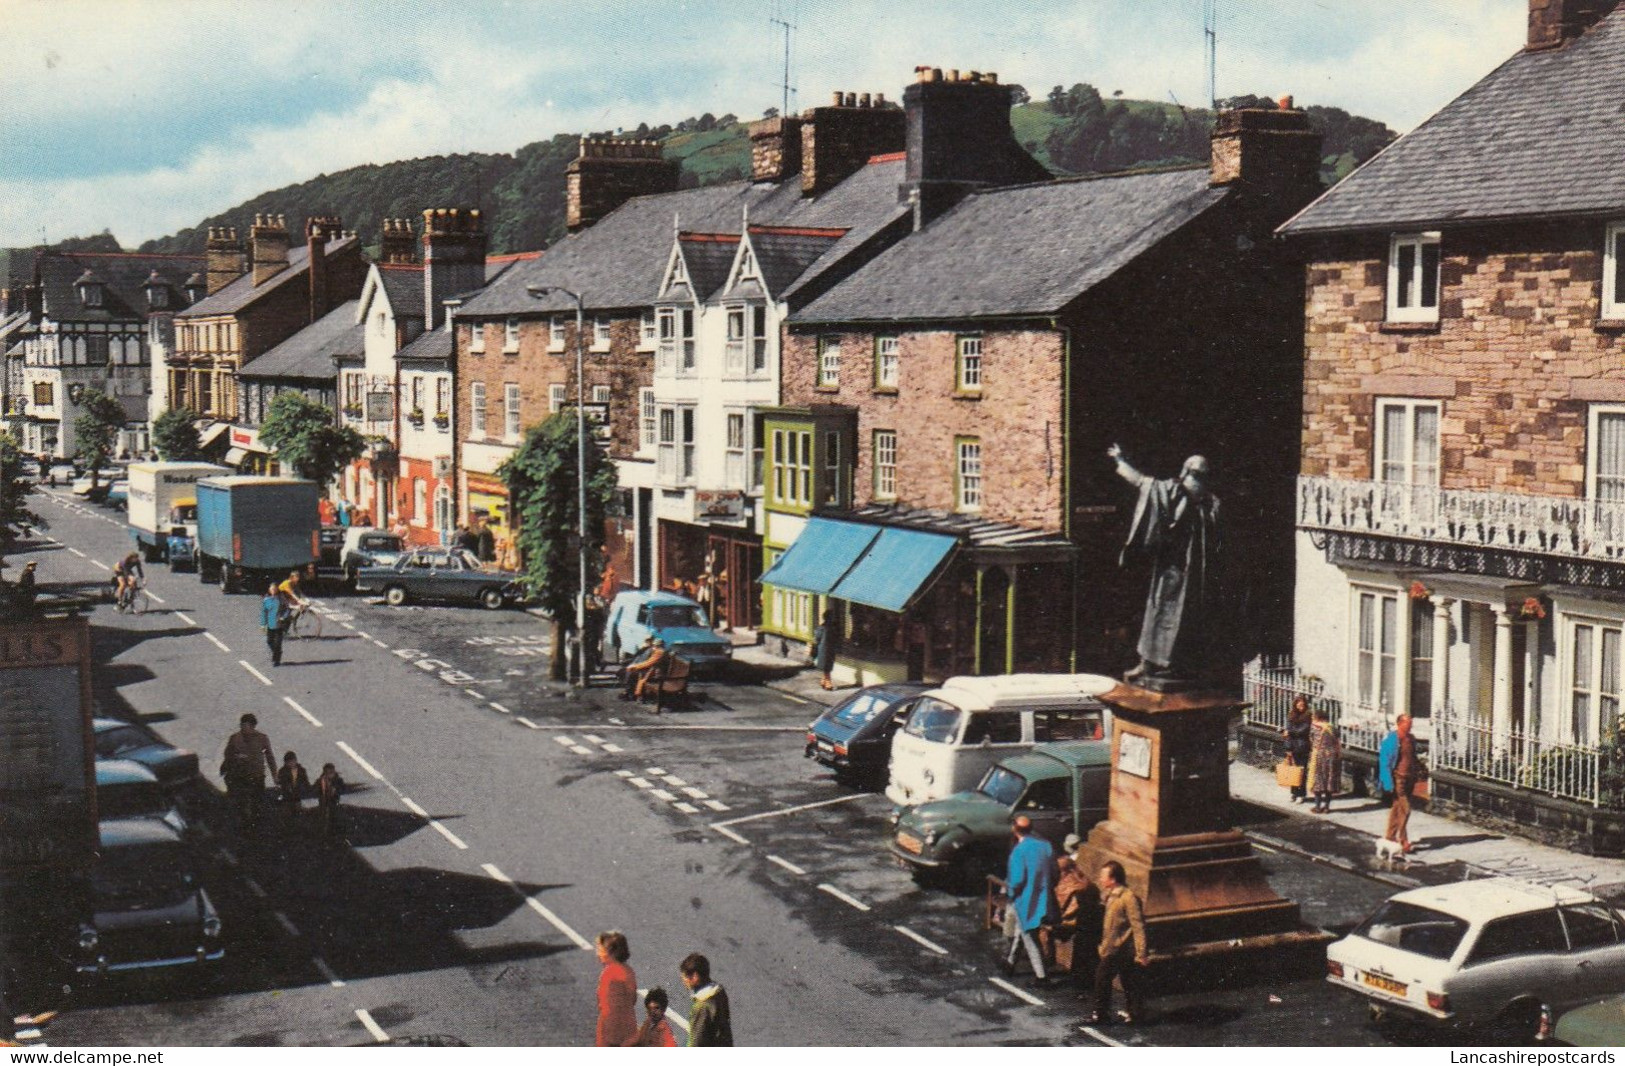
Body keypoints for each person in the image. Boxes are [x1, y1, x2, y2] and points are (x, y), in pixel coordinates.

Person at [1107, 443, 1221, 684]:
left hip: (1174, 569)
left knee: (1160, 612)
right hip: (1192, 572)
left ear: (1186, 470)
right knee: (1179, 615)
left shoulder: (1176, 491)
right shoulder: (1210, 502)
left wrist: (1120, 461)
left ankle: (1151, 664)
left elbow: (1142, 482)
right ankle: (1162, 665)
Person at [1085, 860, 1148, 1027]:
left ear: (1113, 879)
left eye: (1103, 876)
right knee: (1127, 981)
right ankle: (1134, 1015)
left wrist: (1141, 953)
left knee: (1102, 979)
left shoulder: (1128, 898)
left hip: (1121, 949)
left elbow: (1138, 926)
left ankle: (1101, 1014)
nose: (1100, 879)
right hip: (1111, 947)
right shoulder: (1109, 896)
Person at [1004, 814, 1056, 985]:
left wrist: (1009, 893)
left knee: (1030, 937)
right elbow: (1055, 873)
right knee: (1023, 930)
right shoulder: (1046, 846)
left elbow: (1017, 880)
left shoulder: (1018, 852)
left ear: (1014, 829)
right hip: (1044, 899)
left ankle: (1042, 976)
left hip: (1025, 901)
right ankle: (1010, 963)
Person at [221, 714, 276, 831]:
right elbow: (227, 754)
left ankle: (256, 827)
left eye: (245, 725)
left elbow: (270, 757)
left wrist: (275, 775)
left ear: (252, 726)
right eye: (241, 725)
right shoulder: (235, 738)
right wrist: (235, 758)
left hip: (257, 776)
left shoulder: (262, 738)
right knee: (242, 804)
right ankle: (244, 827)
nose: (242, 728)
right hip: (240, 776)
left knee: (258, 803)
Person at [1385, 715, 1422, 853]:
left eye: (1411, 724)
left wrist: (1418, 769)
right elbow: (1385, 761)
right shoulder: (1393, 739)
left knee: (1397, 807)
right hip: (1398, 777)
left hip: (1410, 777)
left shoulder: (1411, 738)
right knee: (1406, 809)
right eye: (1408, 723)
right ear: (1399, 723)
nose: (1410, 726)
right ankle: (1403, 839)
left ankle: (1389, 836)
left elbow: (1413, 757)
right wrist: (1387, 782)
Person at [678, 953, 732, 1047]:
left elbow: (697, 1041)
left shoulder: (702, 1006)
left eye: (685, 977)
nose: (684, 981)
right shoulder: (719, 992)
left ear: (695, 977)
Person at [594, 931, 638, 1047]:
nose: (597, 953)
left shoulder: (609, 974)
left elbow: (606, 1005)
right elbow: (633, 999)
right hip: (629, 1026)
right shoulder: (628, 970)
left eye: (600, 950)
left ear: (611, 953)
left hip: (612, 1031)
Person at [1307, 708, 1342, 814]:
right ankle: (1327, 807)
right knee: (1329, 781)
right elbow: (1338, 743)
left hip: (1319, 756)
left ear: (1318, 718)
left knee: (1318, 781)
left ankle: (1317, 806)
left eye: (1313, 717)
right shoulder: (1333, 728)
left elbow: (1312, 740)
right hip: (1332, 757)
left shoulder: (1314, 727)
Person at [1282, 696, 1313, 804]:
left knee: (1302, 770)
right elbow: (1287, 729)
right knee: (1293, 770)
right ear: (1295, 705)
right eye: (1299, 705)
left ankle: (1302, 794)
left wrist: (1290, 732)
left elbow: (1303, 730)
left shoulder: (1308, 716)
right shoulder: (1291, 715)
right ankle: (1294, 792)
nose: (1301, 707)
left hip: (1303, 746)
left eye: (1303, 705)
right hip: (1292, 745)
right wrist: (1288, 747)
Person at [261, 584, 289, 666]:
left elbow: (287, 608)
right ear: (269, 590)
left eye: (275, 589)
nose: (273, 591)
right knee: (269, 641)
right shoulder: (266, 600)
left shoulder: (281, 599)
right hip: (270, 625)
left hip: (279, 625)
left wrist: (283, 617)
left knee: (277, 643)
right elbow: (264, 612)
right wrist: (263, 624)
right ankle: (276, 653)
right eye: (272, 589)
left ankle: (276, 660)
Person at [315, 762, 345, 838]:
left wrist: (336, 790)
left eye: (331, 772)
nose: (330, 775)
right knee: (323, 820)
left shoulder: (338, 780)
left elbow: (343, 788)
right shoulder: (320, 781)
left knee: (335, 820)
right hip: (323, 804)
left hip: (334, 803)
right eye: (328, 773)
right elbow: (315, 790)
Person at [275, 751, 309, 816]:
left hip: (298, 796)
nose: (291, 763)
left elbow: (306, 782)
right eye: (288, 762)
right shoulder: (282, 771)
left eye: (292, 761)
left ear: (295, 760)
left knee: (299, 812)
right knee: (287, 813)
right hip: (287, 798)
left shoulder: (301, 770)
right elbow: (281, 782)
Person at [813, 610, 840, 691]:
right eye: (832, 616)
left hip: (825, 648)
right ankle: (828, 683)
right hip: (826, 649)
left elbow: (817, 638)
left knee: (827, 666)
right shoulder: (827, 627)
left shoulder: (823, 627)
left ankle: (824, 681)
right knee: (827, 666)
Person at [1377, 720, 1401, 808]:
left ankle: (1387, 796)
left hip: (1389, 761)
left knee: (1386, 773)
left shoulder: (1390, 737)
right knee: (1387, 773)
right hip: (1389, 760)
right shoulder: (1391, 738)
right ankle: (1388, 796)